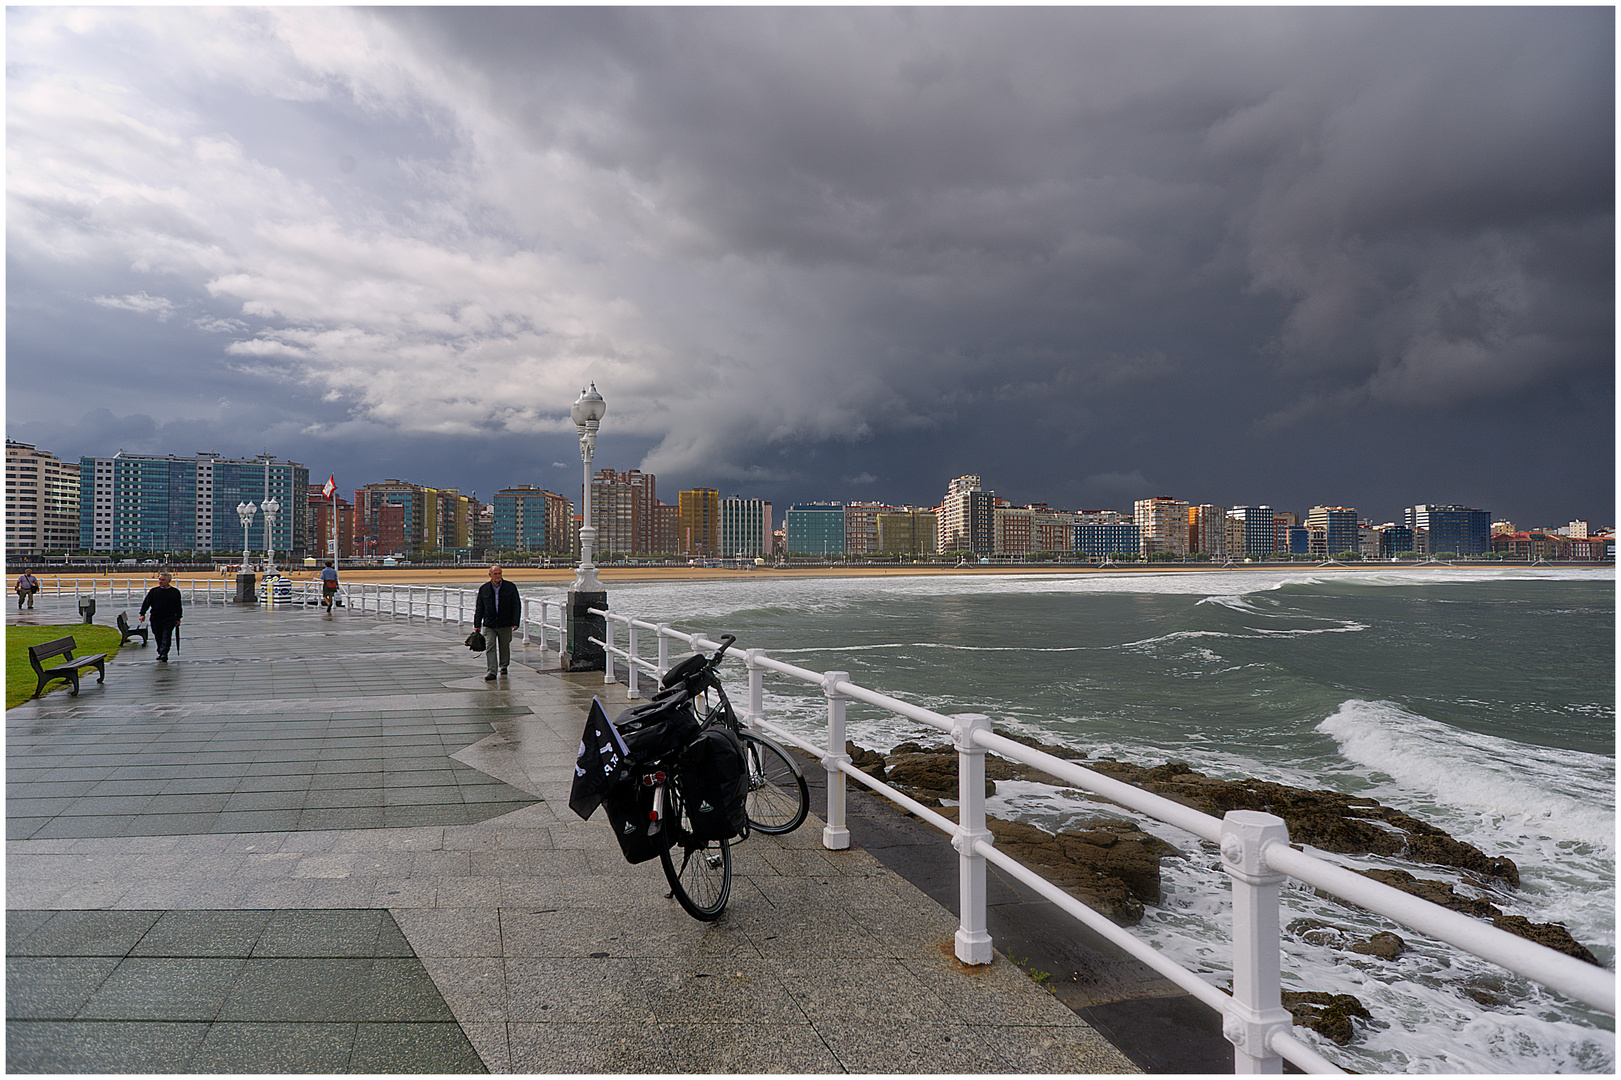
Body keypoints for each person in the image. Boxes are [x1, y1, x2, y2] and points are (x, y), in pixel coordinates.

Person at [473, 564, 520, 681]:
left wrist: (515, 622)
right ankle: (491, 671)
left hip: (505, 623)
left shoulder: (510, 587)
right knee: (490, 647)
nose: (498, 576)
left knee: (504, 646)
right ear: (490, 575)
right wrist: (477, 624)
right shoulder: (484, 589)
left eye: (499, 573)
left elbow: (516, 606)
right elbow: (479, 607)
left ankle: (504, 665)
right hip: (489, 624)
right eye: (495, 574)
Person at [138, 572, 184, 663]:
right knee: (158, 636)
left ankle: (164, 653)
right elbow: (146, 603)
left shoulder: (175, 592)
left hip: (170, 618)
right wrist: (142, 614)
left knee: (166, 636)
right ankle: (160, 652)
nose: (160, 581)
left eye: (162, 580)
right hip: (156, 618)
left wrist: (178, 618)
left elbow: (178, 606)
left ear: (168, 581)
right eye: (159, 579)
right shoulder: (154, 591)